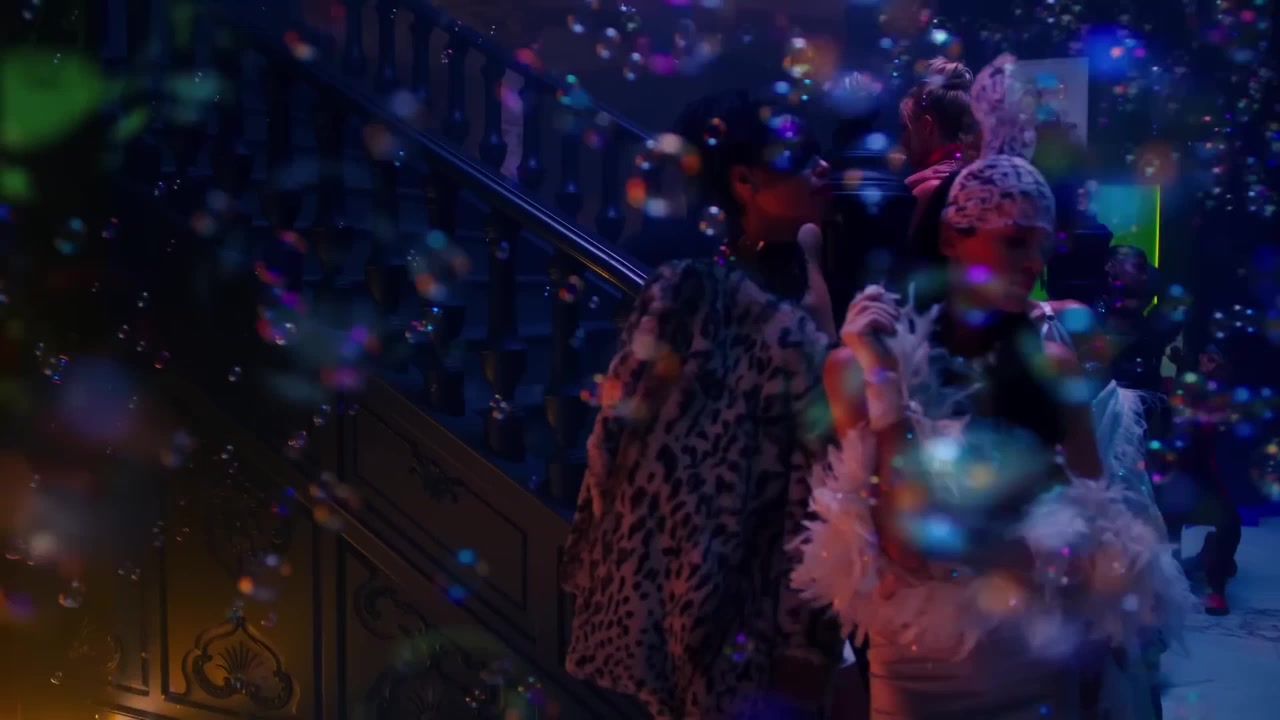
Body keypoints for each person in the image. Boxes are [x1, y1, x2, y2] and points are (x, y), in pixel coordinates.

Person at [792, 55, 1192, 720]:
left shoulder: (1053, 359)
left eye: (1041, 245)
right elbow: (905, 547)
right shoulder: (864, 361)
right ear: (953, 236)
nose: (1034, 263)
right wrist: (887, 385)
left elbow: (1093, 532)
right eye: (1013, 242)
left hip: (1036, 667)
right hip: (917, 675)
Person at [561, 90, 848, 719]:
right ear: (744, 181)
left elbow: (823, 442)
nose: (823, 169)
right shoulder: (689, 291)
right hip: (710, 587)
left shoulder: (802, 264)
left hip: (786, 580)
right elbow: (621, 442)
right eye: (801, 159)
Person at [1164, 344, 1242, 616]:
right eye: (1203, 357)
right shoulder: (1183, 389)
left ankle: (1216, 587)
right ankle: (1170, 578)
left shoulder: (1224, 396)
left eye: (1212, 359)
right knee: (1167, 521)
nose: (1205, 362)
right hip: (1179, 473)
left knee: (1230, 524)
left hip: (1206, 475)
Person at [899, 58, 976, 233]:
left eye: (905, 128)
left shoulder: (928, 190)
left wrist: (905, 187)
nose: (902, 142)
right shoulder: (974, 177)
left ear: (927, 126)